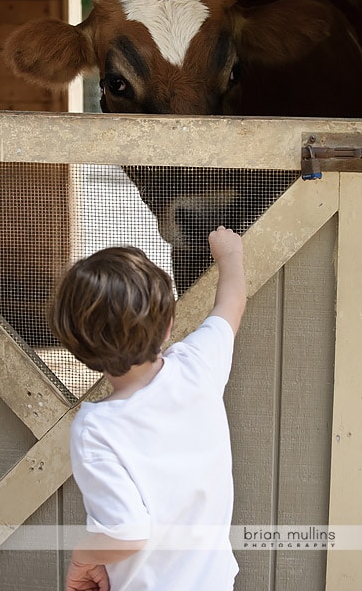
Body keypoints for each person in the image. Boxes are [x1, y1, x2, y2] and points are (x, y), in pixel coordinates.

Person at [50, 225, 246, 591]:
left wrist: (84, 556)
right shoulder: (198, 366)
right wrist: (230, 256)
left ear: (77, 346)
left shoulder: (97, 429)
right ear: (169, 325)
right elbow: (230, 304)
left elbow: (126, 535)